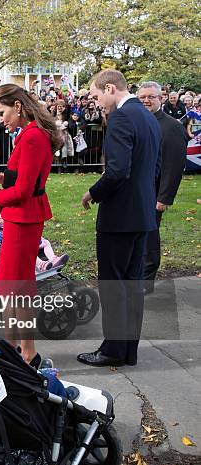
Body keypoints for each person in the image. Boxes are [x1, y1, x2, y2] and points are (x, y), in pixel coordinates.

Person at [0, 83, 59, 366]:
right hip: (24, 218)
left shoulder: (32, 137)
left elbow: (23, 190)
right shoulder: (31, 135)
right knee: (14, 286)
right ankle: (14, 346)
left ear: (17, 107)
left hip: (23, 218)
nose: (0, 119)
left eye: (1, 112)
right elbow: (22, 180)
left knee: (13, 286)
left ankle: (24, 350)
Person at [78, 69, 161, 367]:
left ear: (110, 88)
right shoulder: (149, 117)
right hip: (142, 215)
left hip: (120, 217)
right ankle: (128, 350)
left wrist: (92, 192)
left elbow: (117, 172)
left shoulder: (122, 118)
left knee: (114, 285)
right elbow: (152, 168)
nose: (97, 102)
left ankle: (113, 350)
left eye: (97, 96)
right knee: (132, 286)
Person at [137, 82, 188, 293]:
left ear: (161, 98)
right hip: (136, 191)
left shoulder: (172, 126)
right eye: (142, 97)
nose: (147, 101)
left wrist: (164, 197)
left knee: (149, 235)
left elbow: (174, 165)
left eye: (151, 97)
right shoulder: (137, 121)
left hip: (155, 191)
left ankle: (147, 279)